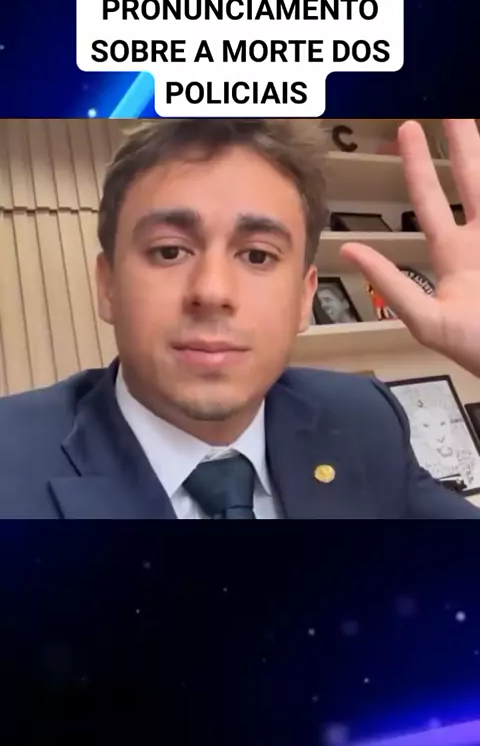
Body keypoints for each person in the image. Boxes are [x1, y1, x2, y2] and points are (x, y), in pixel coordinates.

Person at [0, 117, 479, 519]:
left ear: (304, 298)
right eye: (169, 251)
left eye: (257, 255)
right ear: (107, 286)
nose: (212, 292)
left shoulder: (363, 419)